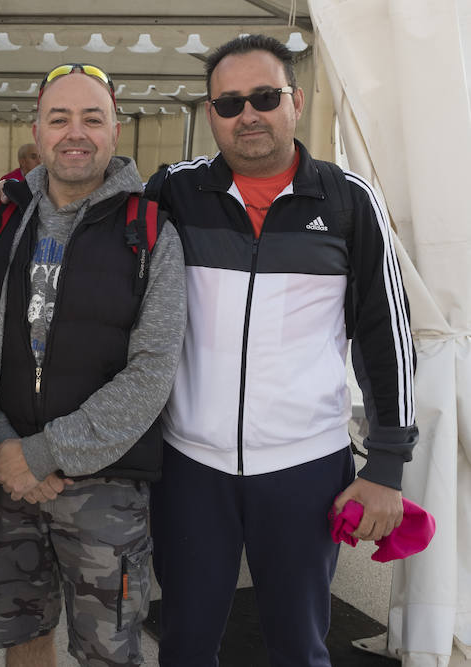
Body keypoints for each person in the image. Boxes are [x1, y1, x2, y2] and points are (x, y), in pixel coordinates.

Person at [144, 35, 417, 666]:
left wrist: (386, 468)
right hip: (191, 467)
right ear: (211, 114)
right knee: (184, 644)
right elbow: (93, 212)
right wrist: (18, 191)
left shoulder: (349, 201)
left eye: (265, 97)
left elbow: (387, 338)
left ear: (294, 101)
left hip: (306, 468)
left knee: (298, 645)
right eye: (230, 102)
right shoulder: (176, 193)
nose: (249, 114)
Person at [0, 63, 187, 666]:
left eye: (93, 118)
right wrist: (6, 446)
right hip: (6, 473)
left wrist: (43, 453)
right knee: (22, 638)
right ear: (37, 129)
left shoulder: (150, 231)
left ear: (117, 131)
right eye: (59, 118)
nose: (75, 132)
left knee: (109, 652)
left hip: (105, 488)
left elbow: (152, 371)